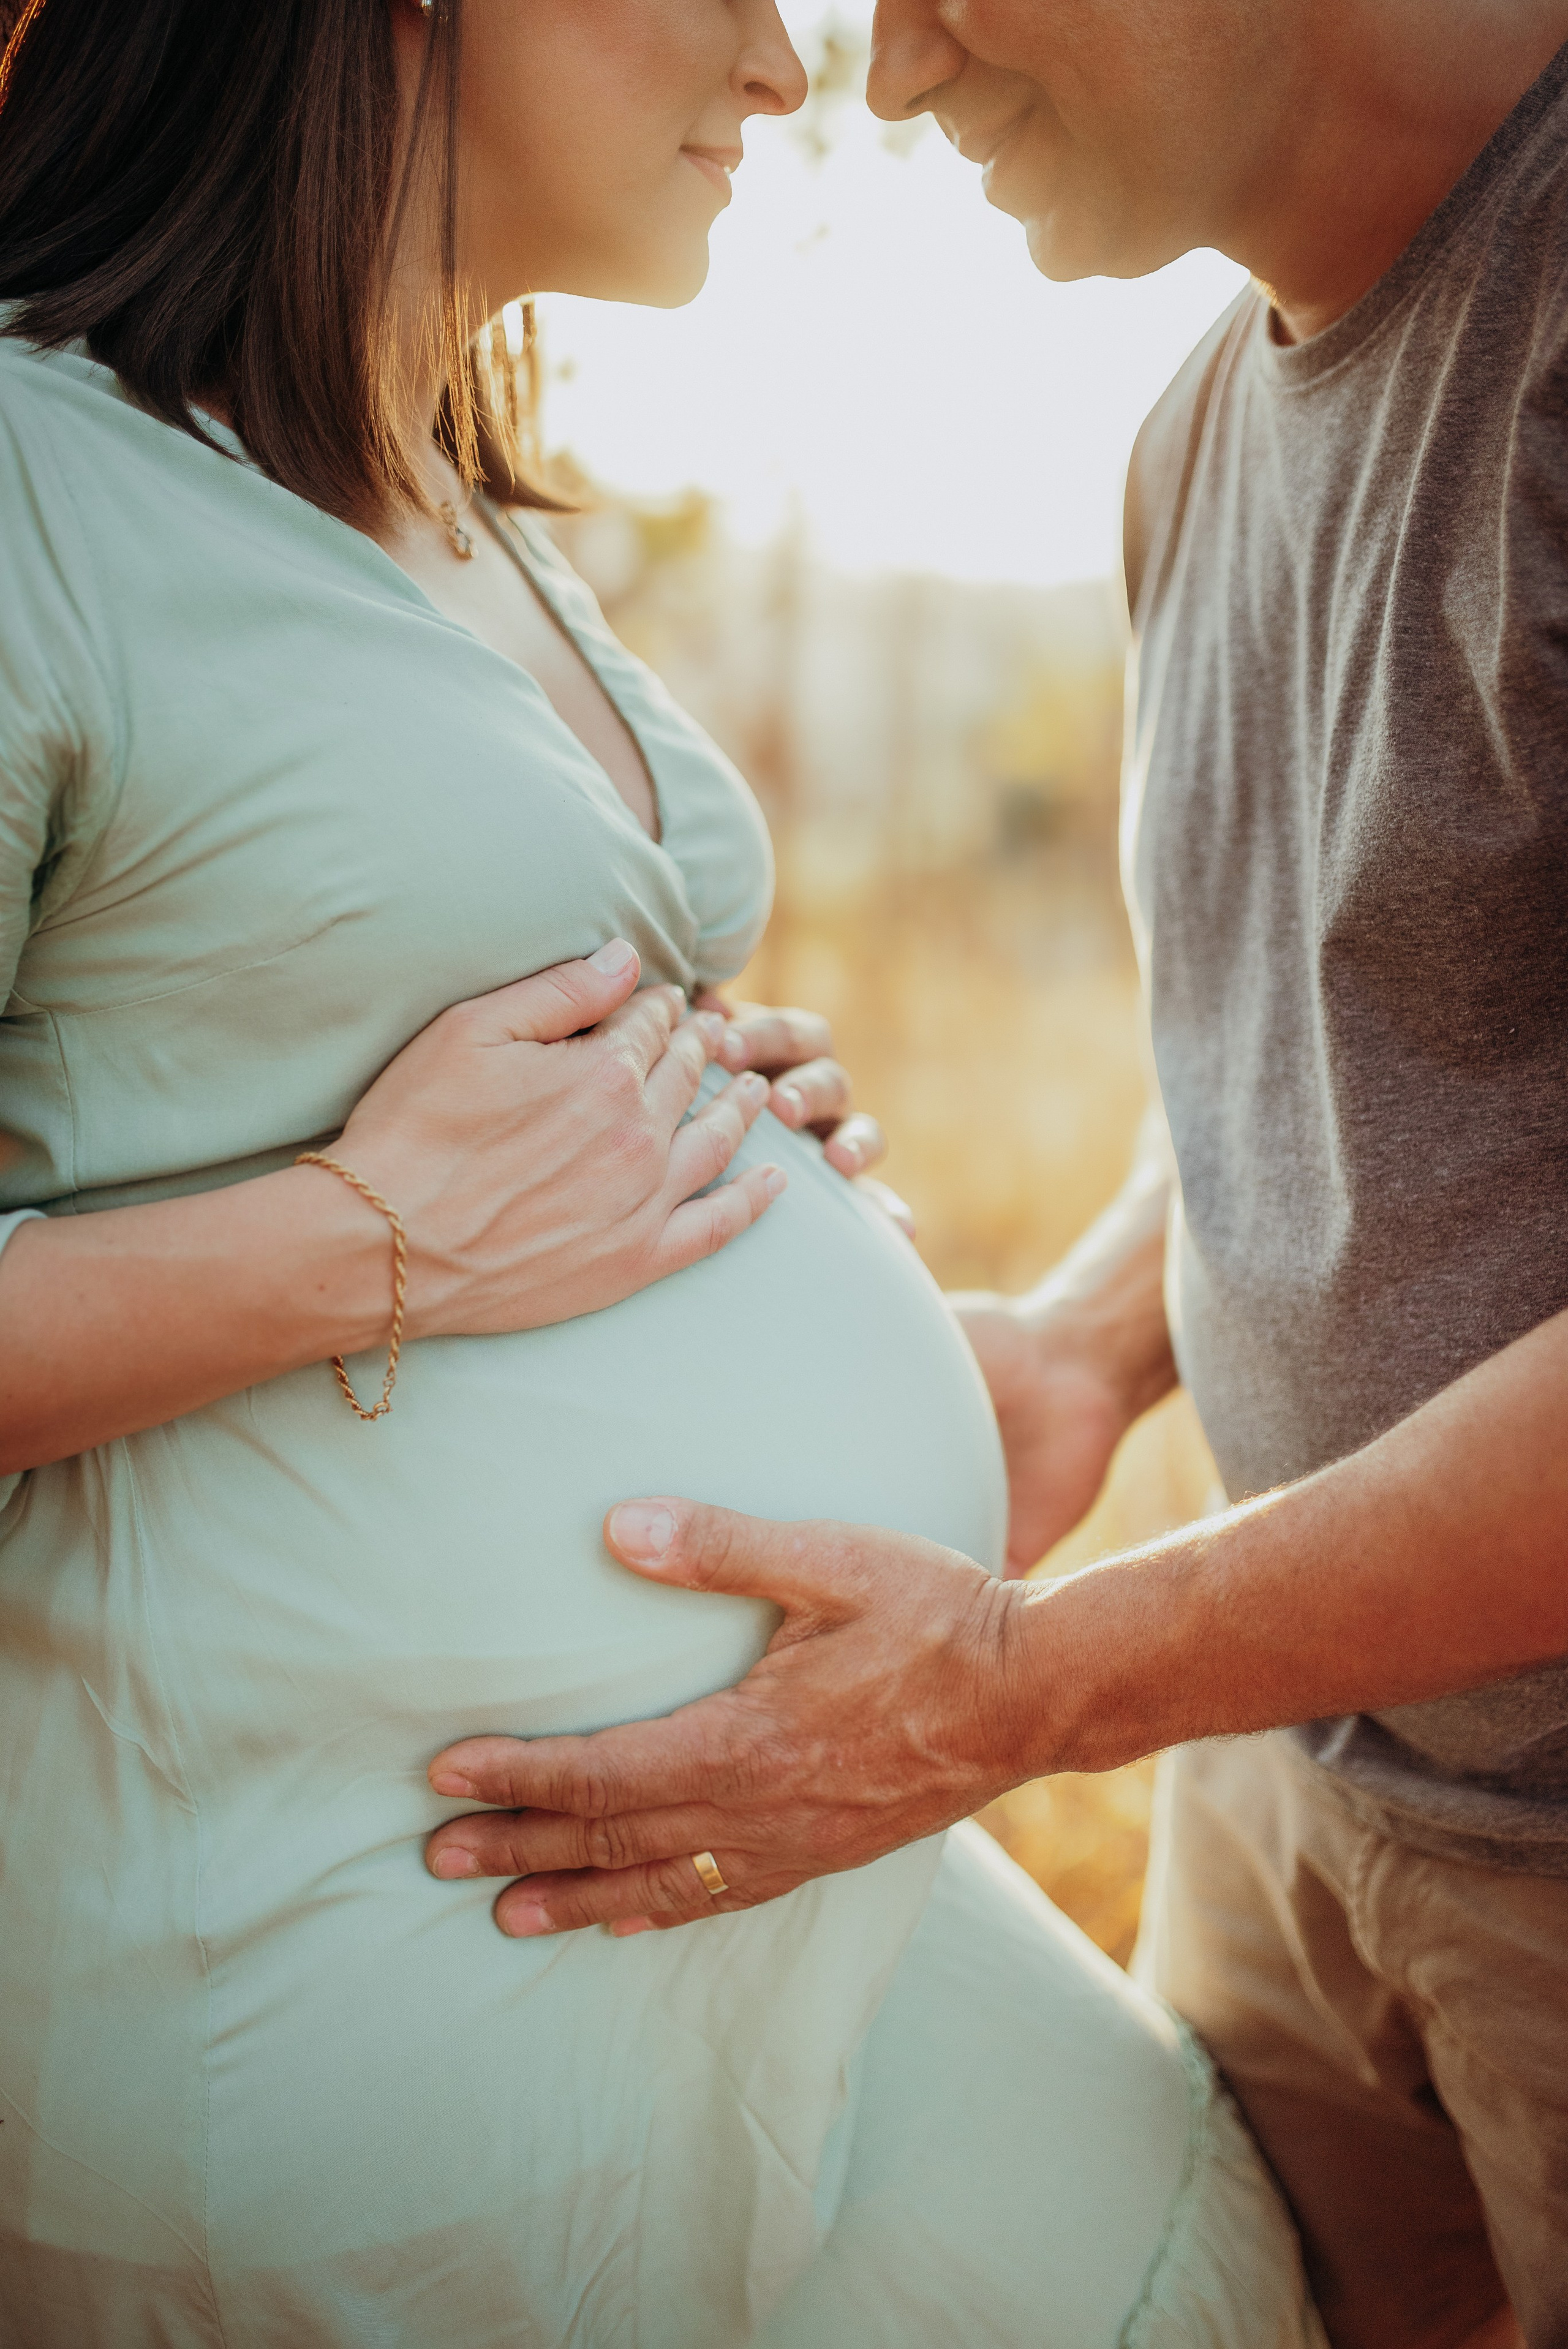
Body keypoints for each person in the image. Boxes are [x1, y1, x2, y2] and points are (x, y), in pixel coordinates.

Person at [0, 1, 1324, 2342]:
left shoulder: (443, 494)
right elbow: (378, 1155)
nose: (787, 67)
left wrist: (705, 1098)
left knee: (1170, 2249)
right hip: (332, 1958)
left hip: (766, 1861)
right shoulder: (32, 478)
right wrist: (372, 1235)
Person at [417, 4, 1568, 2346]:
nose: (895, 75)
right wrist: (1084, 1344)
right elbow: (1348, 1036)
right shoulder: (1192, 442)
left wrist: (1023, 1686)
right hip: (1290, 1777)